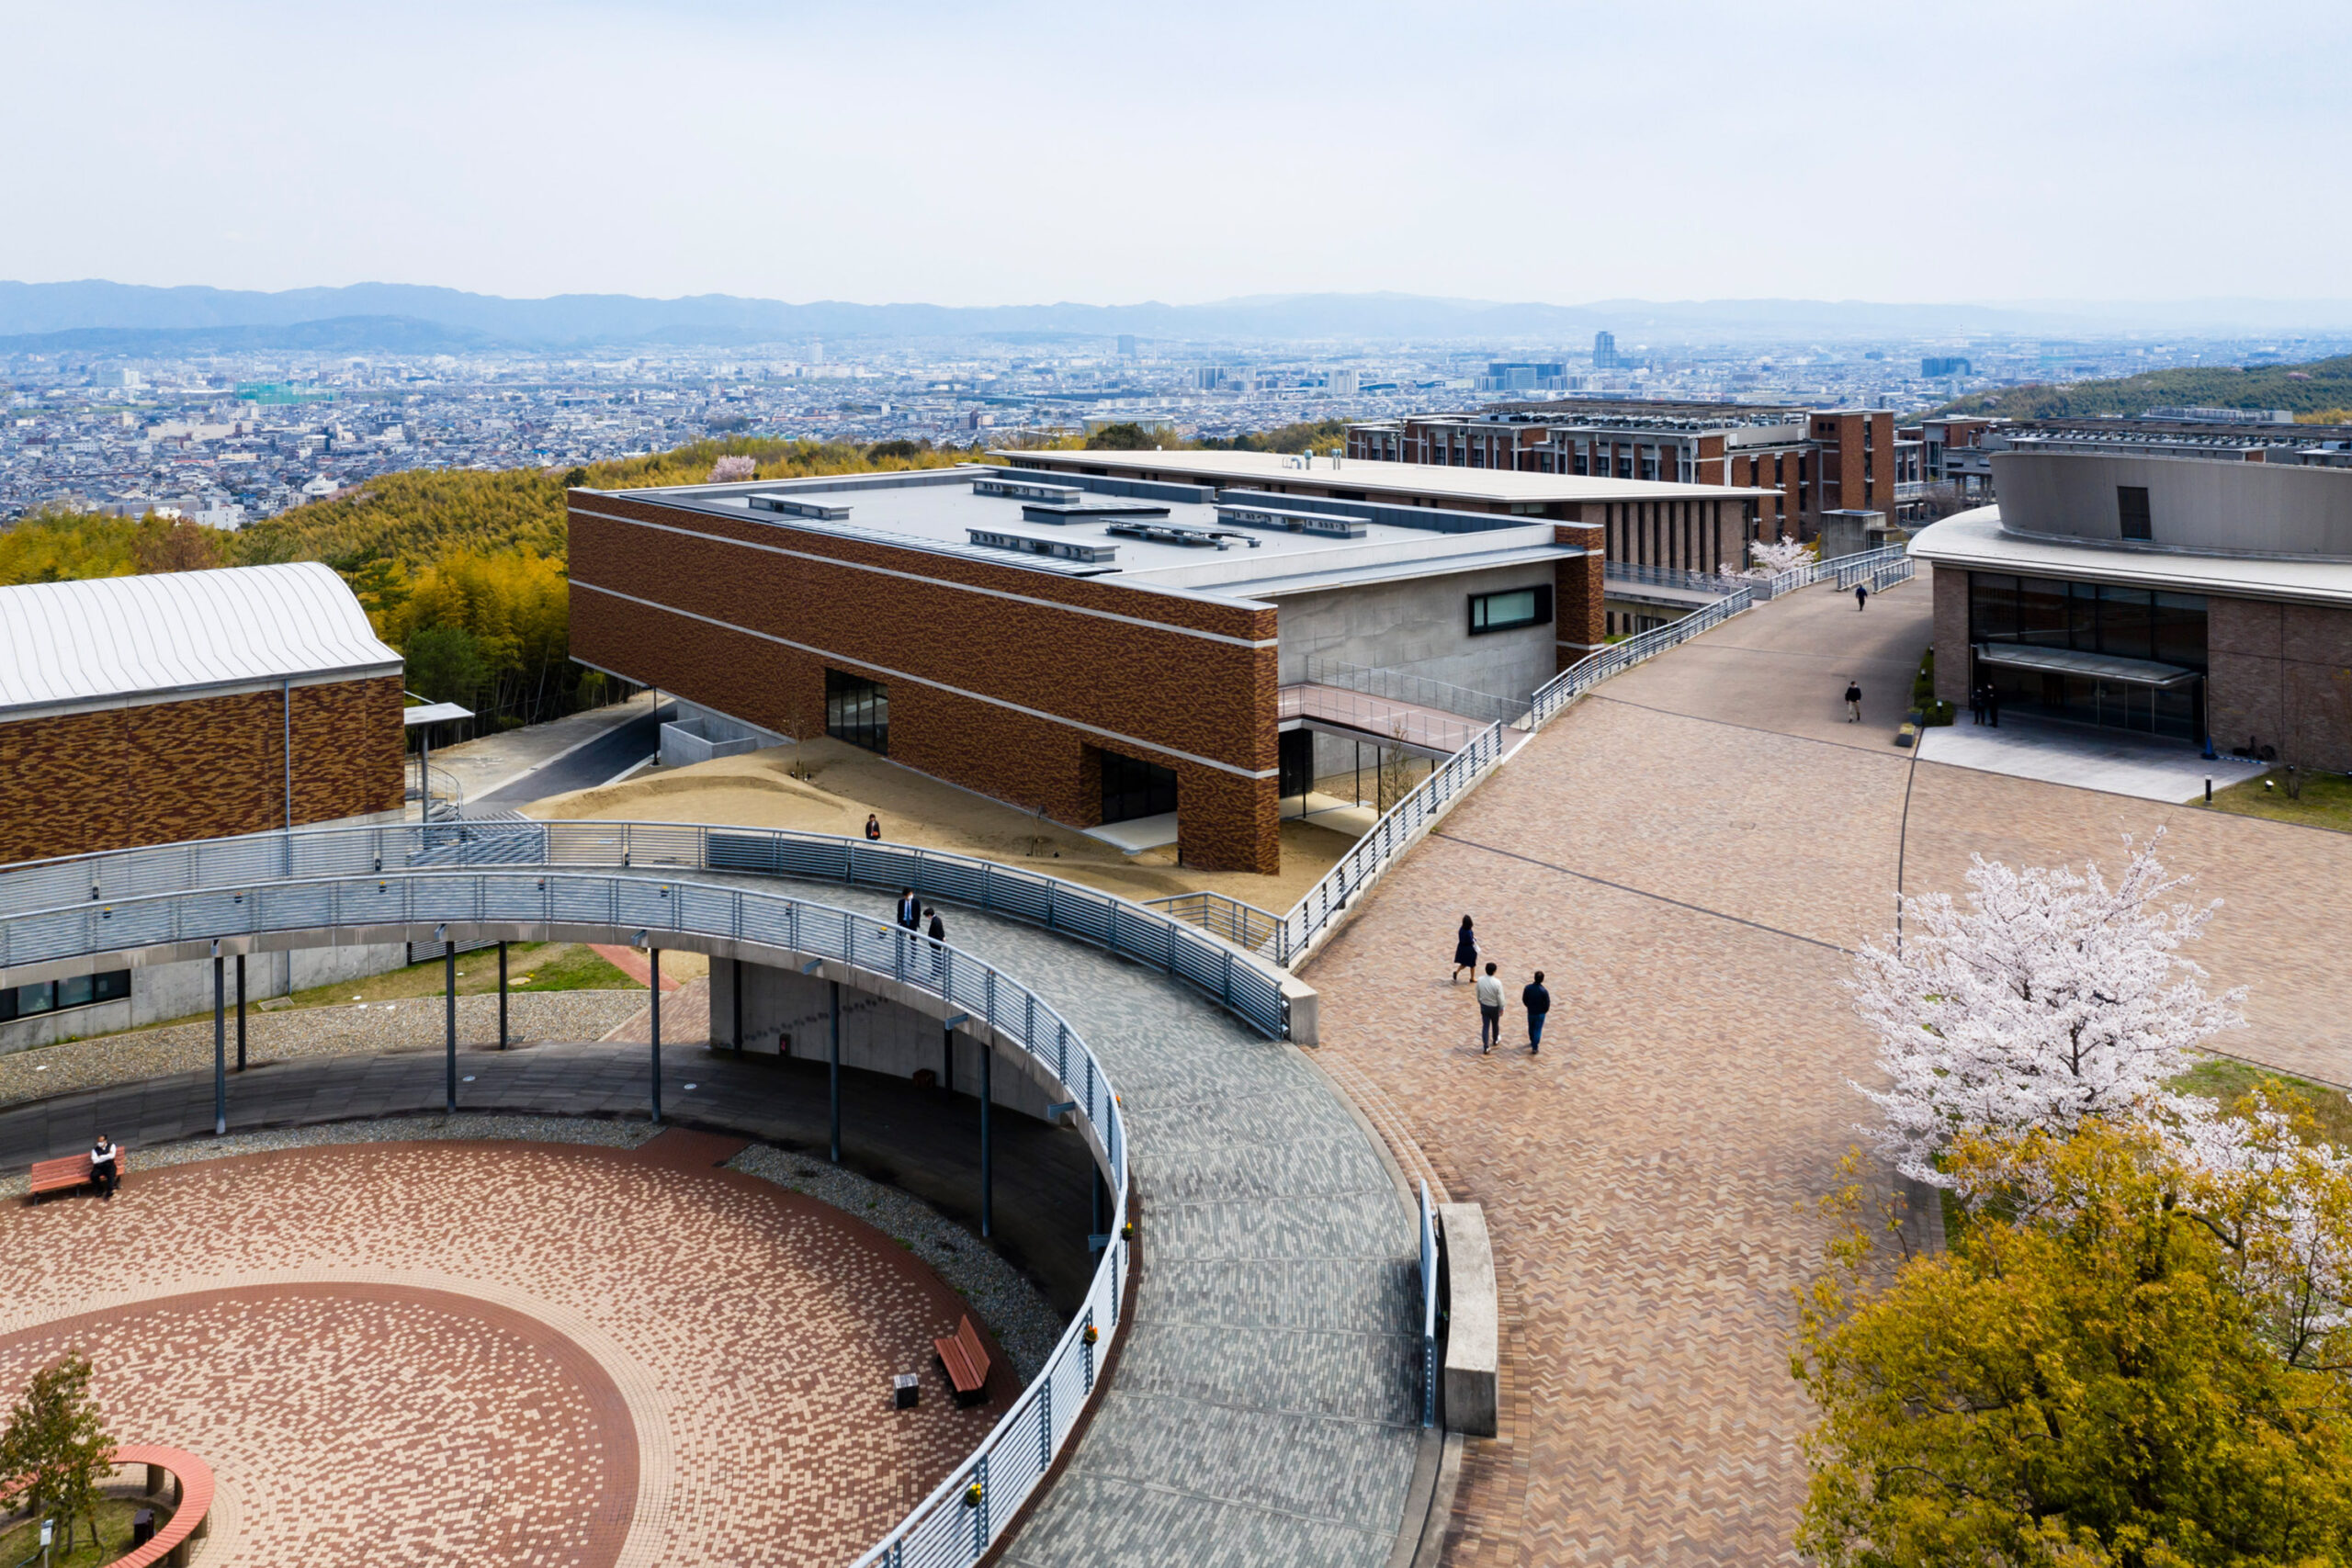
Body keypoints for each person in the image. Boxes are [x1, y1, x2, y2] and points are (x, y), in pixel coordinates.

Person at [1475, 962, 1504, 1054]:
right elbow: (1500, 997)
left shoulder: (1480, 980)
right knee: (1495, 1024)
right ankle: (1495, 1039)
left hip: (1484, 1006)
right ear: (1494, 971)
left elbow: (1478, 992)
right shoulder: (1497, 983)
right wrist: (1502, 1007)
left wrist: (1480, 1001)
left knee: (1485, 1026)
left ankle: (1486, 1046)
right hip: (1494, 1007)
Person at [1521, 971, 1550, 1055]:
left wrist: (1528, 1006)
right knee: (1538, 1029)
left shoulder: (1528, 988)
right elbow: (1547, 1003)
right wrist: (1544, 1011)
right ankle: (1535, 1046)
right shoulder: (1544, 991)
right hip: (1540, 1013)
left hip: (1531, 1012)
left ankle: (1532, 1039)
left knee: (1531, 1027)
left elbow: (1524, 999)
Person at [89, 1134, 119, 1201]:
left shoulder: (112, 1146)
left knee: (111, 1176)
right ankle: (100, 1189)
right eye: (98, 1141)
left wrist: (101, 1157)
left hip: (109, 1166)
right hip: (99, 1167)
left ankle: (109, 1191)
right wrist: (107, 1155)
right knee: (93, 1175)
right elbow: (95, 1161)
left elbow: (112, 1156)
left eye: (101, 1141)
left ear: (105, 1141)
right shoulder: (94, 1150)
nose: (99, 1143)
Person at [1452, 916, 1478, 983]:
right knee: (1472, 964)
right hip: (1469, 949)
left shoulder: (1461, 929)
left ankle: (1457, 972)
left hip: (1461, 948)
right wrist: (1474, 939)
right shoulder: (1468, 932)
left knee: (1464, 963)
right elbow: (1470, 940)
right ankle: (1472, 978)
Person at [925, 907, 945, 976]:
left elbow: (937, 932)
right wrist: (943, 937)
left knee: (935, 956)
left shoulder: (934, 921)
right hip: (938, 942)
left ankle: (936, 971)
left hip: (935, 943)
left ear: (930, 915)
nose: (928, 918)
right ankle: (939, 970)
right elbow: (941, 930)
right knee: (938, 956)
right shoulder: (938, 919)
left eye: (927, 916)